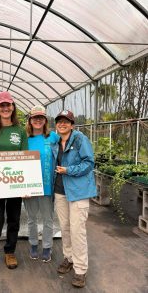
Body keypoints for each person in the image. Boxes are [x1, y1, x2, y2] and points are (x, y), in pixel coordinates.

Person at [0, 91, 28, 278]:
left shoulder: (20, 130)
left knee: (14, 219)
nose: (5, 108)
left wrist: (26, 186)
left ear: (13, 107)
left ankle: (10, 252)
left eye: (8, 105)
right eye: (2, 105)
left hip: (15, 183)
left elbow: (25, 158)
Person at [53, 110, 97, 288]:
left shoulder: (79, 139)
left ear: (72, 125)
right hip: (60, 190)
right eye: (59, 121)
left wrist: (68, 170)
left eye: (66, 121)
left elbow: (89, 163)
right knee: (65, 227)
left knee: (77, 230)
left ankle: (80, 269)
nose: (62, 124)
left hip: (78, 191)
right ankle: (69, 258)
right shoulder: (56, 142)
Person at [24, 105, 59, 262]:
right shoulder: (24, 139)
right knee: (31, 218)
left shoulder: (52, 137)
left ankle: (46, 247)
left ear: (45, 120)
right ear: (30, 121)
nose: (37, 120)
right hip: (28, 187)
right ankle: (33, 244)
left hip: (46, 185)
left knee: (47, 219)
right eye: (34, 118)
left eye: (41, 118)